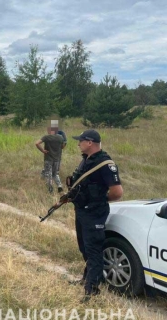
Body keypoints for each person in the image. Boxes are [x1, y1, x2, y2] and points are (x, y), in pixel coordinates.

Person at [57, 129, 123, 303]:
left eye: (81, 141)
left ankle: (92, 289)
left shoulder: (105, 163)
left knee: (93, 249)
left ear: (90, 143)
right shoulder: (86, 160)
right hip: (82, 210)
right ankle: (87, 279)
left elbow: (117, 192)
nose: (78, 143)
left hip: (95, 212)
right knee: (84, 247)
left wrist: (98, 200)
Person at [35, 126, 65, 193]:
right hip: (57, 159)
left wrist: (43, 150)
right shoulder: (60, 137)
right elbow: (63, 146)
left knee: (48, 174)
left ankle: (50, 189)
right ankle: (59, 185)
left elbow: (37, 143)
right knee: (55, 174)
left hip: (48, 158)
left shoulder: (46, 137)